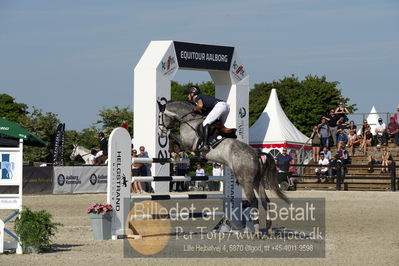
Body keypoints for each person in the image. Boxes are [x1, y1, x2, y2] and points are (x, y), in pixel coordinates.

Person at [186, 86, 230, 151]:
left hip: (220, 106)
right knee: (220, 125)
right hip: (226, 106)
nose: (187, 96)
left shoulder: (196, 97)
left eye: (188, 94)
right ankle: (221, 139)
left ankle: (205, 145)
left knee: (206, 123)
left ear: (192, 94)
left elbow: (200, 106)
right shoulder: (203, 98)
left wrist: (194, 109)